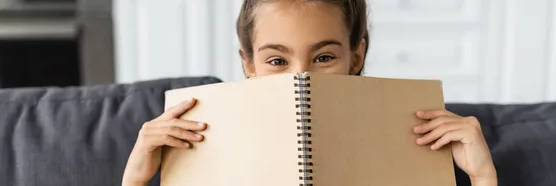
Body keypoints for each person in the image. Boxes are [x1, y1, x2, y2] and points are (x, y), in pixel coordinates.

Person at [122, 0, 498, 185]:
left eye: (323, 57)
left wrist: (482, 177)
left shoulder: (418, 136)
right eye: (276, 61)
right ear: (248, 64)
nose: (300, 77)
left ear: (356, 56)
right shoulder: (206, 141)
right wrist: (136, 180)